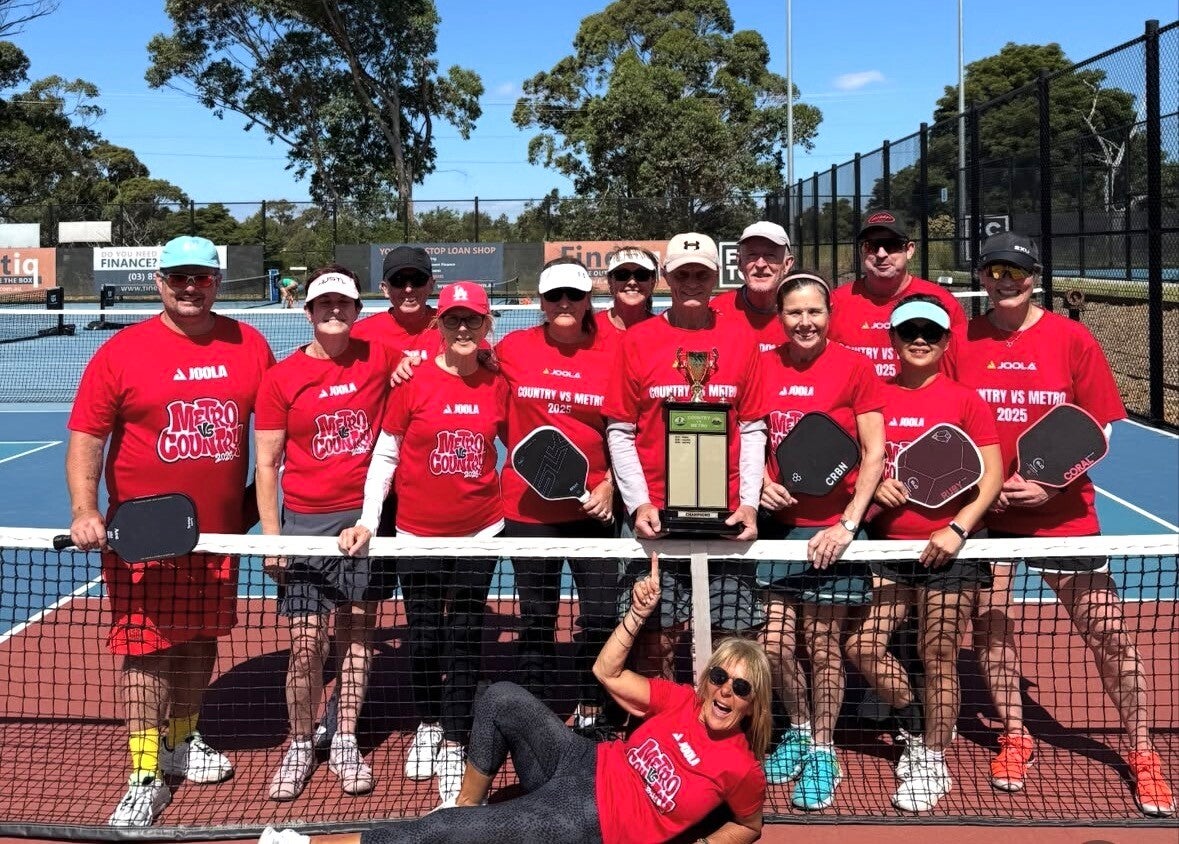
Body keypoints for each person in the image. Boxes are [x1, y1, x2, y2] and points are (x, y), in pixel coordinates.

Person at [259, 552, 771, 844]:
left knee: (450, 831)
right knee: (502, 696)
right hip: (583, 760)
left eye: (741, 687)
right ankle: (468, 804)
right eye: (720, 677)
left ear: (753, 703)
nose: (726, 691)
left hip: (591, 818)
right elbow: (605, 671)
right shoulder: (682, 700)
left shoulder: (741, 768)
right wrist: (637, 615)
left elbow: (750, 824)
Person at [947, 231, 1174, 817]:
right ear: (981, 277)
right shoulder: (961, 340)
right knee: (991, 629)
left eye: (1016, 271)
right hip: (989, 516)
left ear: (1034, 277)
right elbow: (945, 420)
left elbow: (1102, 427)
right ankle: (1015, 736)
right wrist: (979, 489)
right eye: (994, 270)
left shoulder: (1072, 339)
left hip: (1065, 515)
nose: (1005, 281)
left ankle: (1142, 751)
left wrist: (1052, 483)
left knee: (1109, 633)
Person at [66, 235, 274, 827]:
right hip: (144, 538)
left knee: (201, 640)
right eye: (178, 277)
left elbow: (281, 426)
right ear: (159, 282)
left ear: (216, 282)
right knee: (146, 650)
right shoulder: (121, 351)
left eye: (201, 277)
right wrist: (84, 509)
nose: (190, 287)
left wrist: (253, 516)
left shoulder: (250, 345)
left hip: (218, 538)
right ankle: (143, 771)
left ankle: (182, 738)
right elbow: (87, 435)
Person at [339, 281, 509, 803]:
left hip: (480, 532)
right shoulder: (411, 382)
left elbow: (524, 442)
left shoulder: (498, 382)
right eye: (453, 319)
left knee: (465, 635)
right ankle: (429, 723)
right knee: (425, 634)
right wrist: (370, 521)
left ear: (487, 325)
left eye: (473, 319)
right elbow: (386, 456)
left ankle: (455, 738)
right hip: (415, 533)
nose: (463, 328)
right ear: (439, 324)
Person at [843, 294, 1003, 813]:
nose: (919, 340)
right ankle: (918, 723)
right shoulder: (875, 396)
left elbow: (992, 475)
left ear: (945, 342)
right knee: (863, 646)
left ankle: (932, 757)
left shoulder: (965, 401)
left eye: (930, 333)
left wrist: (957, 529)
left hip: (949, 553)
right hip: (890, 551)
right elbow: (862, 461)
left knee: (938, 655)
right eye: (908, 331)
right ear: (892, 338)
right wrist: (875, 486)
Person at [254, 266, 404, 801]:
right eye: (324, 304)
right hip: (304, 526)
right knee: (305, 645)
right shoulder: (281, 378)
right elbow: (267, 463)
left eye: (344, 303)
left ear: (357, 311)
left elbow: (431, 365)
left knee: (357, 635)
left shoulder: (381, 358)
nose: (334, 311)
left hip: (364, 523)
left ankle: (344, 738)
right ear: (309, 313)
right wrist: (274, 538)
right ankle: (300, 743)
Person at [604, 232, 768, 681]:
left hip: (726, 518)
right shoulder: (636, 341)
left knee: (732, 644)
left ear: (716, 278)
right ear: (667, 278)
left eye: (701, 274)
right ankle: (666, 721)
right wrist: (639, 503)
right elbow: (621, 430)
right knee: (656, 641)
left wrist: (749, 504)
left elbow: (752, 428)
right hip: (657, 520)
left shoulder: (742, 339)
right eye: (682, 274)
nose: (692, 282)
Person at [755, 269, 886, 810]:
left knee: (824, 645)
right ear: (780, 317)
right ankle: (801, 728)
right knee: (774, 645)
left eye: (814, 312)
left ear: (829, 316)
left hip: (833, 532)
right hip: (778, 534)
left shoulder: (855, 368)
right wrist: (756, 484)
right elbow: (746, 438)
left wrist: (847, 524)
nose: (804, 322)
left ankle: (824, 750)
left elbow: (874, 454)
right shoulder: (761, 366)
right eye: (794, 312)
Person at [496, 258, 619, 736]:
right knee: (537, 616)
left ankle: (593, 705)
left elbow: (629, 428)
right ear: (541, 303)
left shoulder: (615, 350)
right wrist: (409, 363)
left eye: (574, 295)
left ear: (589, 299)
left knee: (601, 615)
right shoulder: (512, 348)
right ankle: (536, 713)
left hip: (594, 510)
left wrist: (609, 485)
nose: (564, 303)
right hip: (527, 511)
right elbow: (459, 356)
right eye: (554, 296)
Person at [828, 210, 967, 381]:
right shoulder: (836, 302)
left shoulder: (941, 302)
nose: (881, 254)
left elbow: (958, 367)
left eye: (891, 245)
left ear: (909, 250)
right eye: (870, 246)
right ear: (861, 252)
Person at [711, 221, 795, 352]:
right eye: (752, 255)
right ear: (739, 262)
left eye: (770, 255)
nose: (760, 264)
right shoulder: (717, 310)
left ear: (787, 264)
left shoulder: (808, 314)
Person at [596, 246, 659, 339]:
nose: (632, 282)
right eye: (622, 274)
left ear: (652, 282)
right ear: (610, 281)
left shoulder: (664, 332)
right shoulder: (590, 329)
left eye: (641, 274)